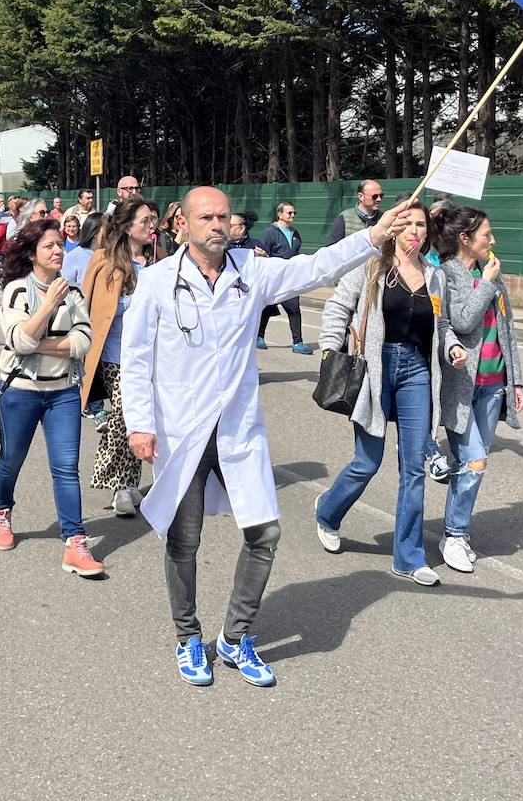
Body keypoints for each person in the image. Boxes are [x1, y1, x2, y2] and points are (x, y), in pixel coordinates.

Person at [122, 186, 402, 687]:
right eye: (205, 216)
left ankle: (235, 638)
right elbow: (136, 359)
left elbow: (316, 268)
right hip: (182, 432)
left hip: (236, 430)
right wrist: (139, 424)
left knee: (264, 533)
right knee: (183, 539)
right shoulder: (159, 282)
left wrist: (372, 239)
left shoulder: (251, 272)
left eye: (223, 216)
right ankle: (188, 638)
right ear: (182, 224)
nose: (216, 224)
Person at [313, 200, 462, 586]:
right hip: (375, 368)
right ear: (394, 228)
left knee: (413, 467)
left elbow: (441, 326)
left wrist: (452, 347)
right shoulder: (371, 265)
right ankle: (328, 512)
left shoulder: (434, 276)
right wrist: (330, 348)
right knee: (367, 462)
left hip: (416, 370)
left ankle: (409, 558)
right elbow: (338, 308)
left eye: (421, 225)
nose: (415, 231)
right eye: (408, 224)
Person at [0, 220, 100, 575]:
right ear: (32, 253)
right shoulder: (17, 291)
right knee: (11, 460)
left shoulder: (74, 292)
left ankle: (75, 542)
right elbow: (18, 342)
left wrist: (41, 344)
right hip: (21, 391)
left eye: (60, 245)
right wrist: (49, 304)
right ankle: (1, 512)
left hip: (63, 392)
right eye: (49, 246)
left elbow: (83, 341)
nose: (57, 252)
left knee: (66, 468)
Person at [435, 205, 523, 573]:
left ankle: (458, 530)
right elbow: (460, 321)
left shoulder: (493, 273)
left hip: (493, 384)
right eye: (486, 234)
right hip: (462, 385)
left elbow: (507, 328)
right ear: (465, 238)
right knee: (474, 461)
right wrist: (486, 282)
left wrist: (515, 379)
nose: (493, 240)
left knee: (472, 465)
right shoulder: (448, 274)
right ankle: (454, 534)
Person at [81, 196, 156, 517]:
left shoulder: (157, 261)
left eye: (153, 220)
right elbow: (86, 305)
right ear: (127, 228)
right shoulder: (104, 260)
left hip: (152, 356)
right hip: (116, 356)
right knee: (126, 416)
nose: (152, 226)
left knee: (143, 420)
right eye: (145, 222)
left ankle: (130, 481)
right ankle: (120, 486)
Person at [256, 201, 314, 354]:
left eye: (294, 213)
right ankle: (259, 337)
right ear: (280, 214)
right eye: (289, 213)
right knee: (267, 308)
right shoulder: (270, 232)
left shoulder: (295, 233)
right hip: (274, 277)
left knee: (294, 309)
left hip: (291, 278)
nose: (293, 215)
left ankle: (298, 342)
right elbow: (264, 253)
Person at [326, 179, 385, 246]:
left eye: (381, 196)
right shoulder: (345, 218)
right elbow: (331, 248)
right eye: (375, 196)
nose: (379, 199)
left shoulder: (384, 218)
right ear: (361, 196)